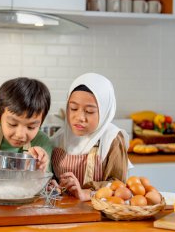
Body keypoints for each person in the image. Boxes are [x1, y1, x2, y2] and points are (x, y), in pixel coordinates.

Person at [50, 73, 129, 201]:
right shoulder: (60, 137)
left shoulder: (112, 139)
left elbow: (118, 186)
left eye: (89, 111)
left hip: (97, 212)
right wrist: (53, 185)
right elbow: (51, 176)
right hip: (63, 209)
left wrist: (86, 193)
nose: (80, 118)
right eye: (73, 108)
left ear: (104, 112)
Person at [0, 77, 52, 171]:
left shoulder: (42, 142)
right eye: (12, 124)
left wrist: (41, 168)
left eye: (31, 127)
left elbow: (46, 182)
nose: (20, 135)